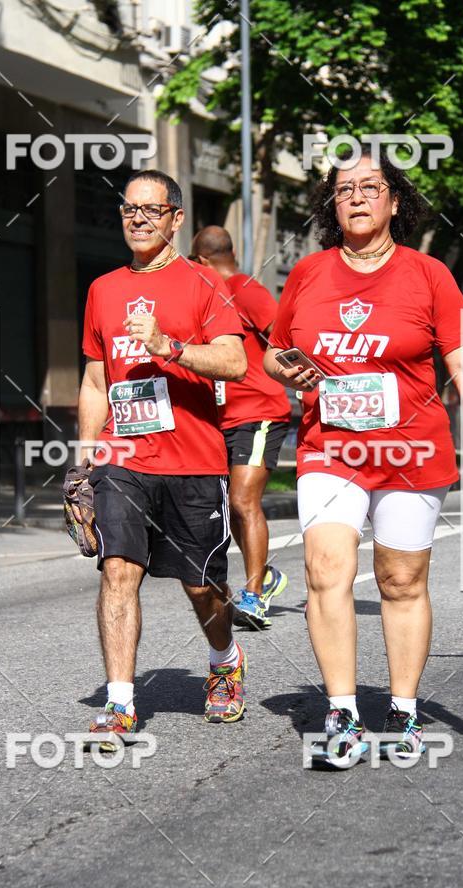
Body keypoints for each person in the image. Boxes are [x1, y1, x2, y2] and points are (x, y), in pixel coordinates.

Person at [263, 147, 463, 767]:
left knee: (402, 582)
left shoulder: (428, 275)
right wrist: (285, 368)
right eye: (345, 189)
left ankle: (402, 710)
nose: (357, 196)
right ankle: (341, 716)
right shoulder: (309, 274)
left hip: (411, 449)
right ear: (331, 204)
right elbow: (273, 351)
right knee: (326, 570)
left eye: (371, 186)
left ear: (394, 201)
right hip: (331, 446)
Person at [77, 170, 248, 746]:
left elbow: (234, 362)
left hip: (193, 461)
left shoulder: (203, 284)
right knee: (118, 571)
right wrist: (85, 461)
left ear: (176, 218)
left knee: (201, 586)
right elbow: (97, 379)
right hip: (124, 459)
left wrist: (168, 347)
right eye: (129, 209)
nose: (138, 219)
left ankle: (224, 658)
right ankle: (120, 701)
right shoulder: (102, 289)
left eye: (151, 210)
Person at [191, 226, 291, 628]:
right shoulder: (208, 297)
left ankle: (253, 595)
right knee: (229, 507)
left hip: (260, 412)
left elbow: (283, 339)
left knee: (243, 501)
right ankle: (264, 575)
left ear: (202, 262)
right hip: (220, 420)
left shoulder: (245, 289)